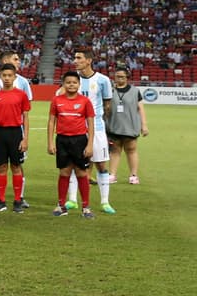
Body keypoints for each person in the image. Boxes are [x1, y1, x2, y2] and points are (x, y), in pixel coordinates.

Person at [0, 51, 33, 205]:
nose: (19, 61)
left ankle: (20, 197)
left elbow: (26, 110)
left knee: (17, 164)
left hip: (16, 130)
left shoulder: (22, 82)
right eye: (16, 59)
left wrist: (25, 136)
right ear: (5, 60)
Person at [72, 48, 116, 214]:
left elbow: (107, 104)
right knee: (73, 164)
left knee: (101, 164)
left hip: (96, 129)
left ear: (88, 60)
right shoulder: (72, 80)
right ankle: (72, 200)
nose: (75, 61)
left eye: (79, 58)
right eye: (75, 58)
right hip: (76, 128)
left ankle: (105, 202)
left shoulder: (103, 80)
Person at [48, 71, 95, 219]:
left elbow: (91, 123)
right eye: (68, 82)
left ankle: (86, 207)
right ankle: (61, 205)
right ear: (63, 84)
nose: (71, 85)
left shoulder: (85, 101)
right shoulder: (56, 100)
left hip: (80, 140)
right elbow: (51, 121)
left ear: (79, 84)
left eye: (74, 82)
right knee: (64, 173)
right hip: (62, 140)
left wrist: (90, 144)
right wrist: (50, 142)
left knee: (82, 173)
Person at [106, 66, 148, 186]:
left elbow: (141, 109)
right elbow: (106, 108)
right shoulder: (110, 91)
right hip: (114, 126)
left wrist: (144, 125)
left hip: (130, 126)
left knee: (131, 150)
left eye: (122, 77)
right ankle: (112, 175)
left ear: (127, 77)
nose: (119, 79)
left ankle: (134, 175)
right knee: (114, 151)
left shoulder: (135, 91)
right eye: (117, 76)